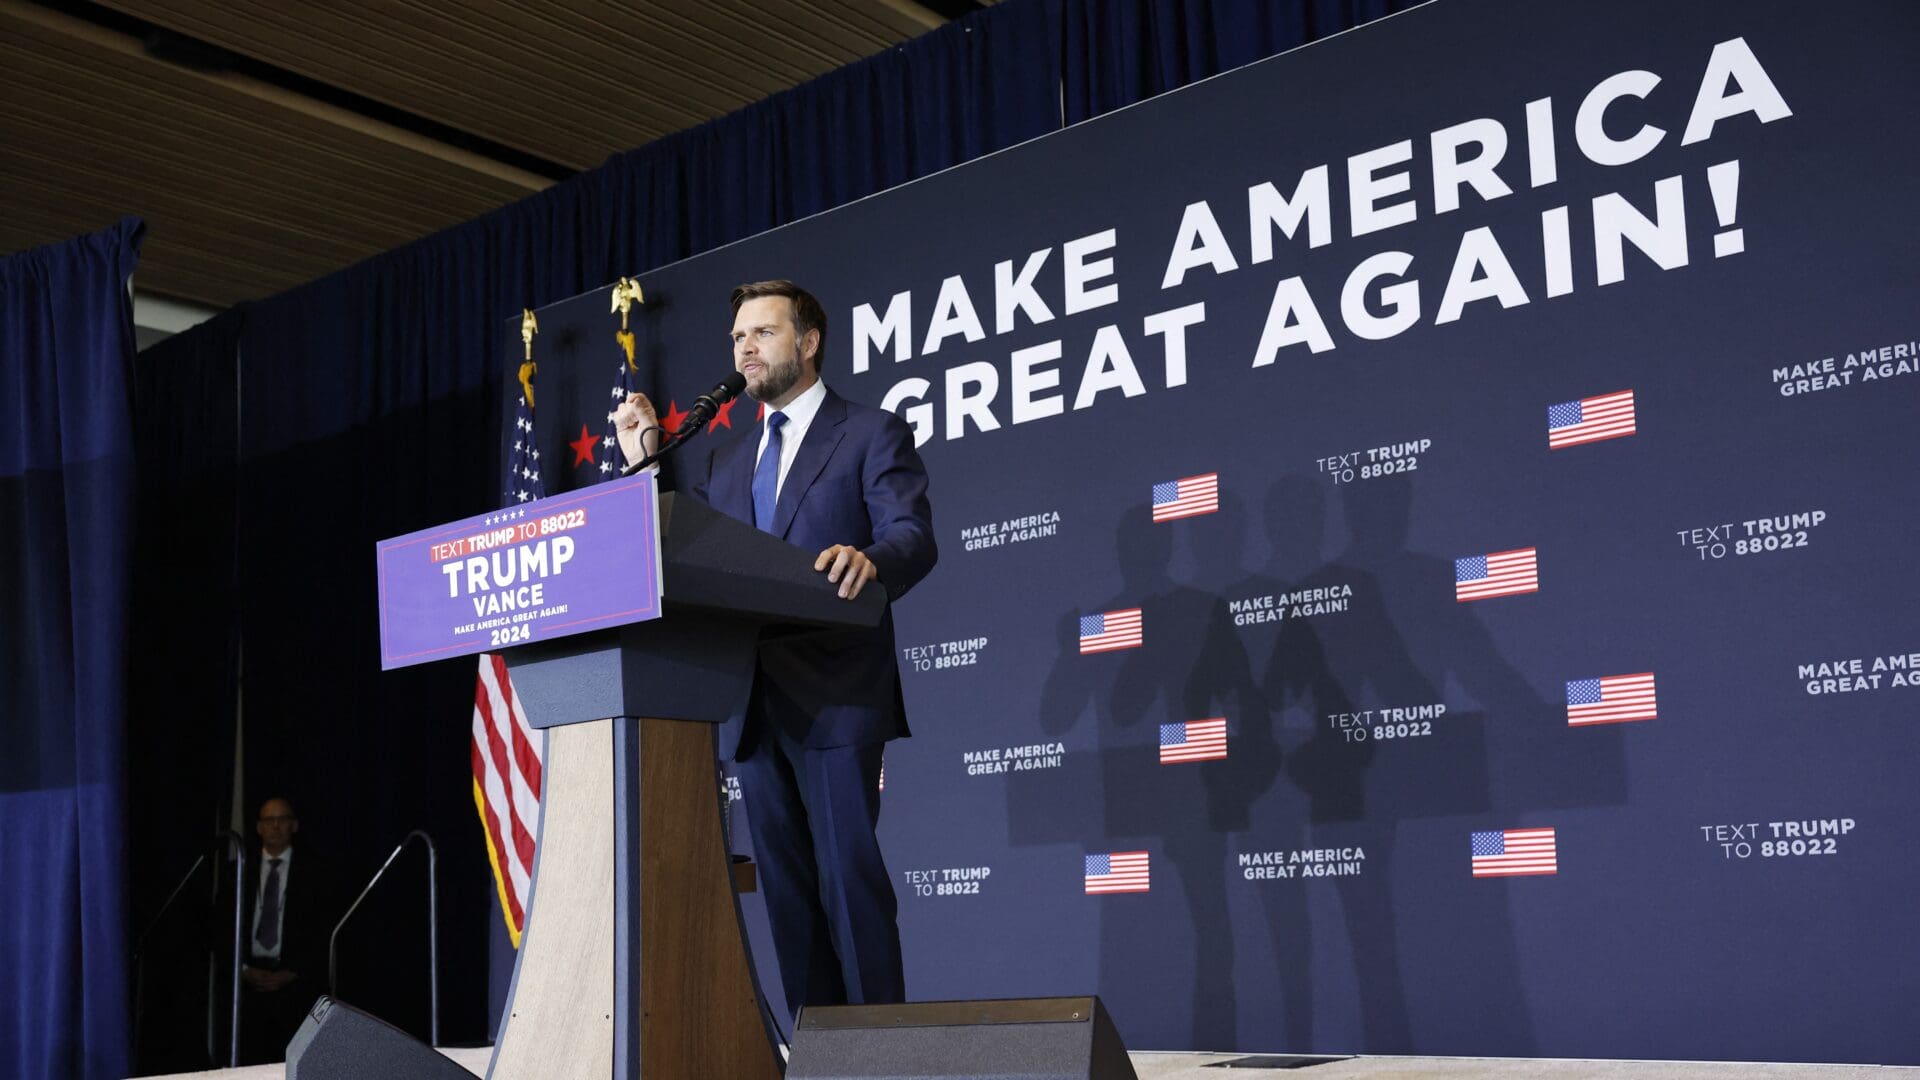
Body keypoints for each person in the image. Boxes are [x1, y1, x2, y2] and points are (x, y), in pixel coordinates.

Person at [615, 279, 937, 1016]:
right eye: (737, 339)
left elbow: (912, 536)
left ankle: (880, 1052)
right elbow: (698, 553)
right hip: (751, 703)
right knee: (787, 896)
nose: (746, 349)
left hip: (834, 693)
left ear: (809, 341)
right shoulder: (728, 458)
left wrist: (872, 560)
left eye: (762, 333)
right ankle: (816, 1049)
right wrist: (652, 461)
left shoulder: (869, 431)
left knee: (847, 880)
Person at [235, 796, 332, 1063]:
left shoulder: (315, 873)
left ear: (294, 826)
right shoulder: (239, 870)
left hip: (296, 985)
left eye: (282, 820)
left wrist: (293, 972)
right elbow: (221, 929)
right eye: (269, 820)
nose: (276, 826)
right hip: (246, 987)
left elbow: (322, 930)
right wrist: (243, 969)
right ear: (258, 827)